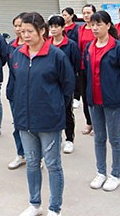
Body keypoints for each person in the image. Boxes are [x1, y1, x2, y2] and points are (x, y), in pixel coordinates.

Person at [7, 12, 75, 216]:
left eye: (30, 31)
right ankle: (35, 204)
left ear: (42, 31)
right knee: (32, 163)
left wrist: (55, 107)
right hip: (24, 121)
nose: (25, 35)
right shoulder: (17, 54)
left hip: (48, 121)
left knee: (53, 165)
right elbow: (13, 84)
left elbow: (68, 85)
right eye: (22, 31)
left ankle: (55, 208)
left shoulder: (56, 55)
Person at [84, 11, 120, 192]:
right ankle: (100, 172)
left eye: (99, 24)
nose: (95, 28)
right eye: (92, 24)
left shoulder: (118, 48)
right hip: (94, 99)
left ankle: (115, 174)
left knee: (114, 139)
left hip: (113, 100)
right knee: (99, 138)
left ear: (108, 26)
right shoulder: (89, 46)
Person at [47, 15, 80, 154]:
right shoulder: (46, 43)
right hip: (50, 83)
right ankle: (56, 138)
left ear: (63, 27)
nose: (53, 29)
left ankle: (69, 139)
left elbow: (76, 64)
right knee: (52, 111)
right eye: (51, 26)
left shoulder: (70, 45)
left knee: (67, 112)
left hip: (65, 84)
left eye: (56, 26)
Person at [7, 13, 28, 169]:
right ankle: (21, 154)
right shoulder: (11, 45)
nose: (18, 28)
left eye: (21, 25)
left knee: (33, 127)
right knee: (18, 125)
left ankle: (36, 156)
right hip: (14, 90)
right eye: (16, 26)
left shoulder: (33, 46)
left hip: (31, 92)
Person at [77, 4, 97, 135]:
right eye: (84, 13)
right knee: (84, 95)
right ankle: (89, 122)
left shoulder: (97, 28)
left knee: (95, 95)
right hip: (83, 67)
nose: (86, 15)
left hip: (95, 67)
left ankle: (98, 124)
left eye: (88, 13)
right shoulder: (81, 29)